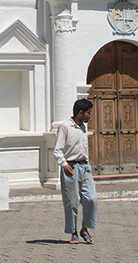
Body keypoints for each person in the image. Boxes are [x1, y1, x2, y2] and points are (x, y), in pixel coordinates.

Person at [53, 98, 96, 244]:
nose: (90, 116)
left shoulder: (84, 127)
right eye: (88, 113)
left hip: (85, 167)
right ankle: (73, 231)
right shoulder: (65, 127)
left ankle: (85, 228)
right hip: (71, 167)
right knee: (72, 202)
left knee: (91, 199)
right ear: (80, 112)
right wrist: (64, 165)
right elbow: (58, 150)